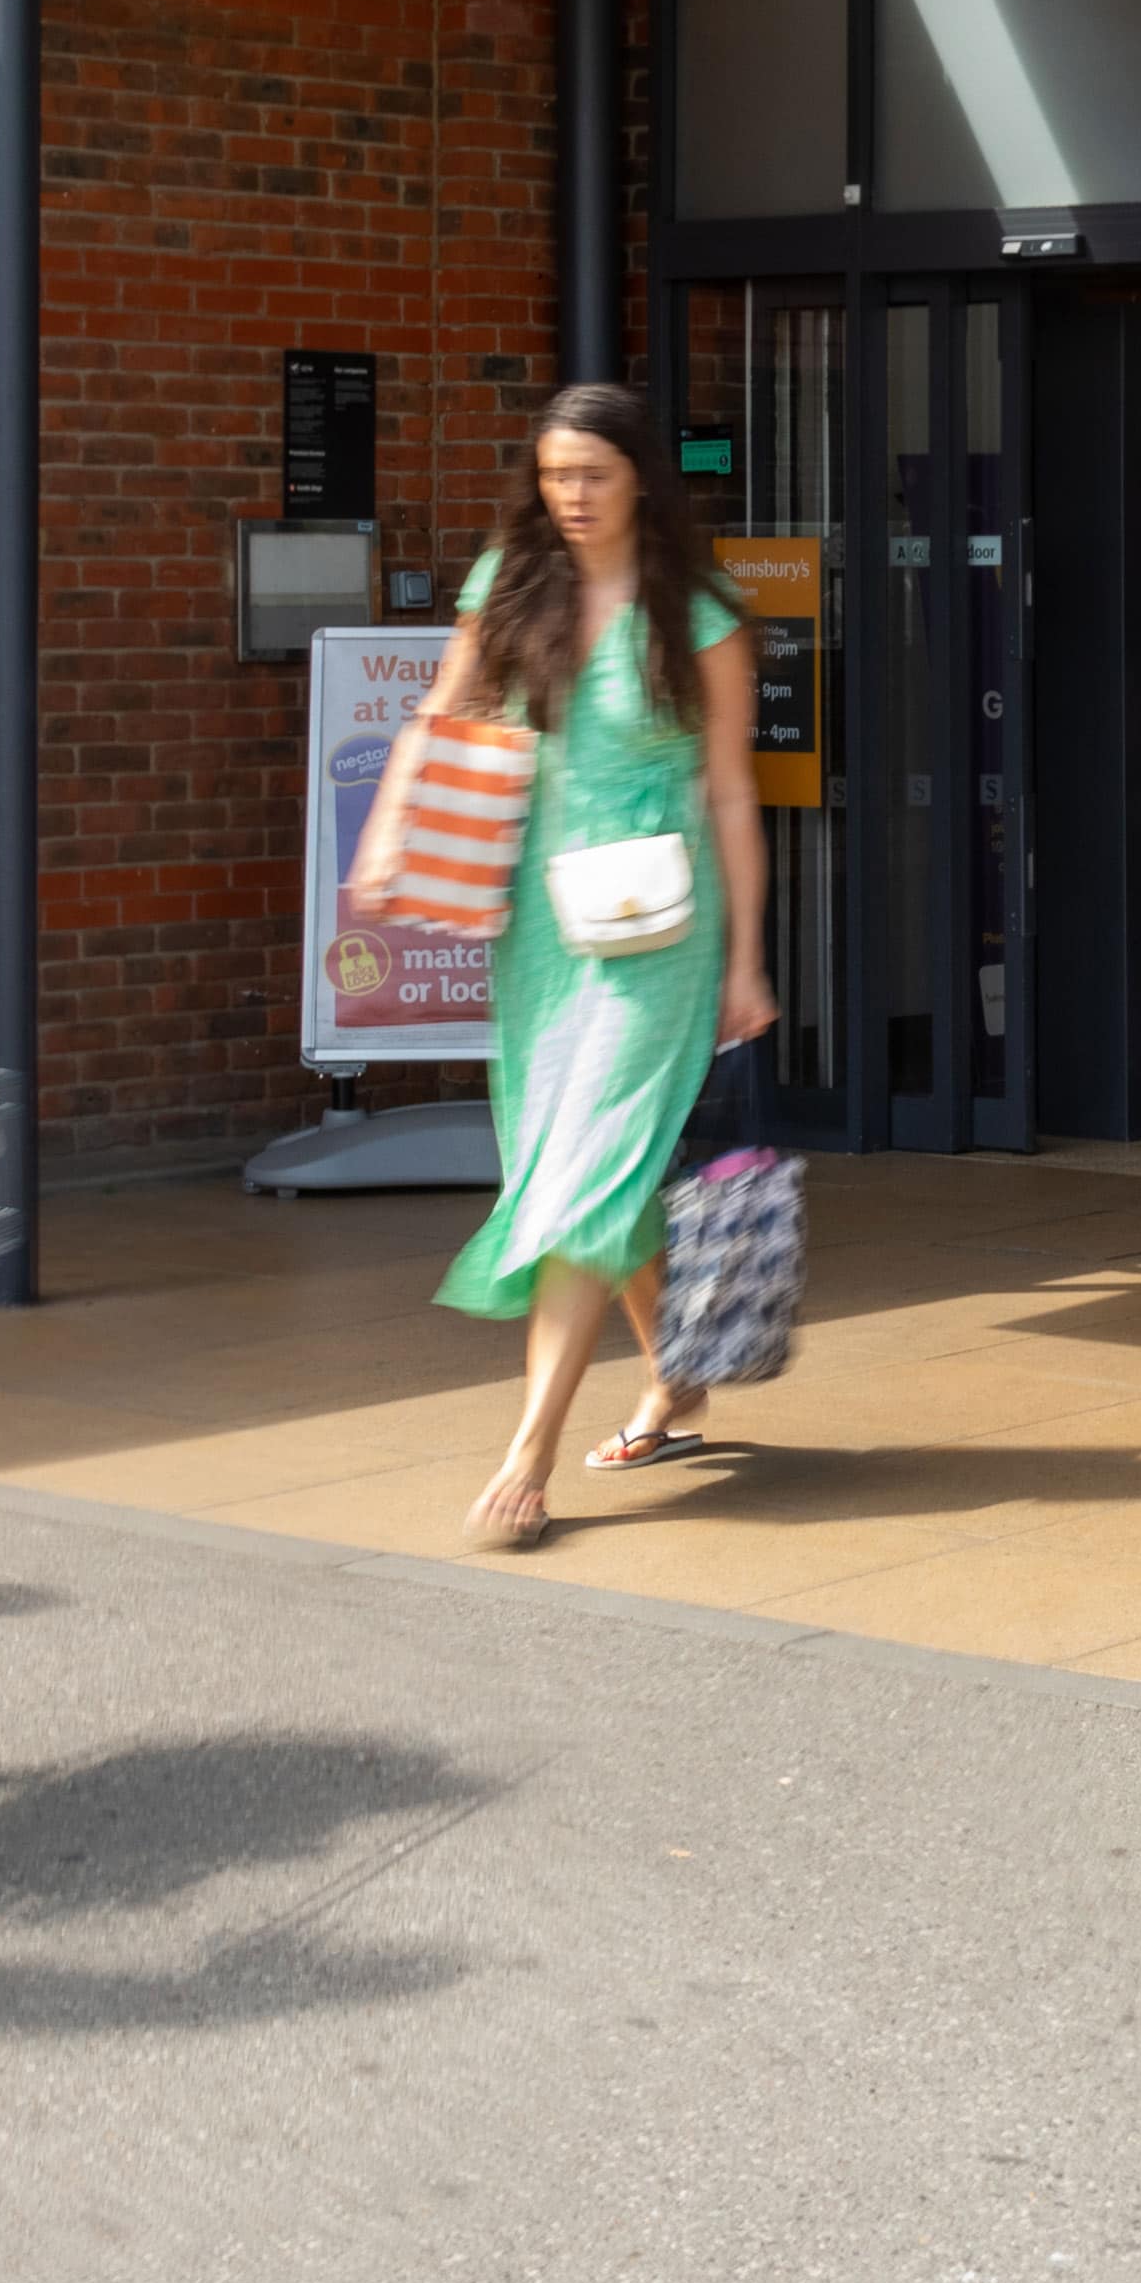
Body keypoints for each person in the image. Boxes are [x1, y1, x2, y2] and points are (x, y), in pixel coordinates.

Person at [346, 383, 771, 1548]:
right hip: (544, 923)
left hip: (660, 927)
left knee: (585, 1168)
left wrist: (748, 959)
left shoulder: (702, 612)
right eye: (553, 476)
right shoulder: (511, 581)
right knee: (578, 1159)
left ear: (640, 475)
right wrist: (388, 828)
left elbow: (734, 790)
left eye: (592, 473)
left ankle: (528, 1457)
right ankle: (675, 1375)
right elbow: (443, 712)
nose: (571, 496)